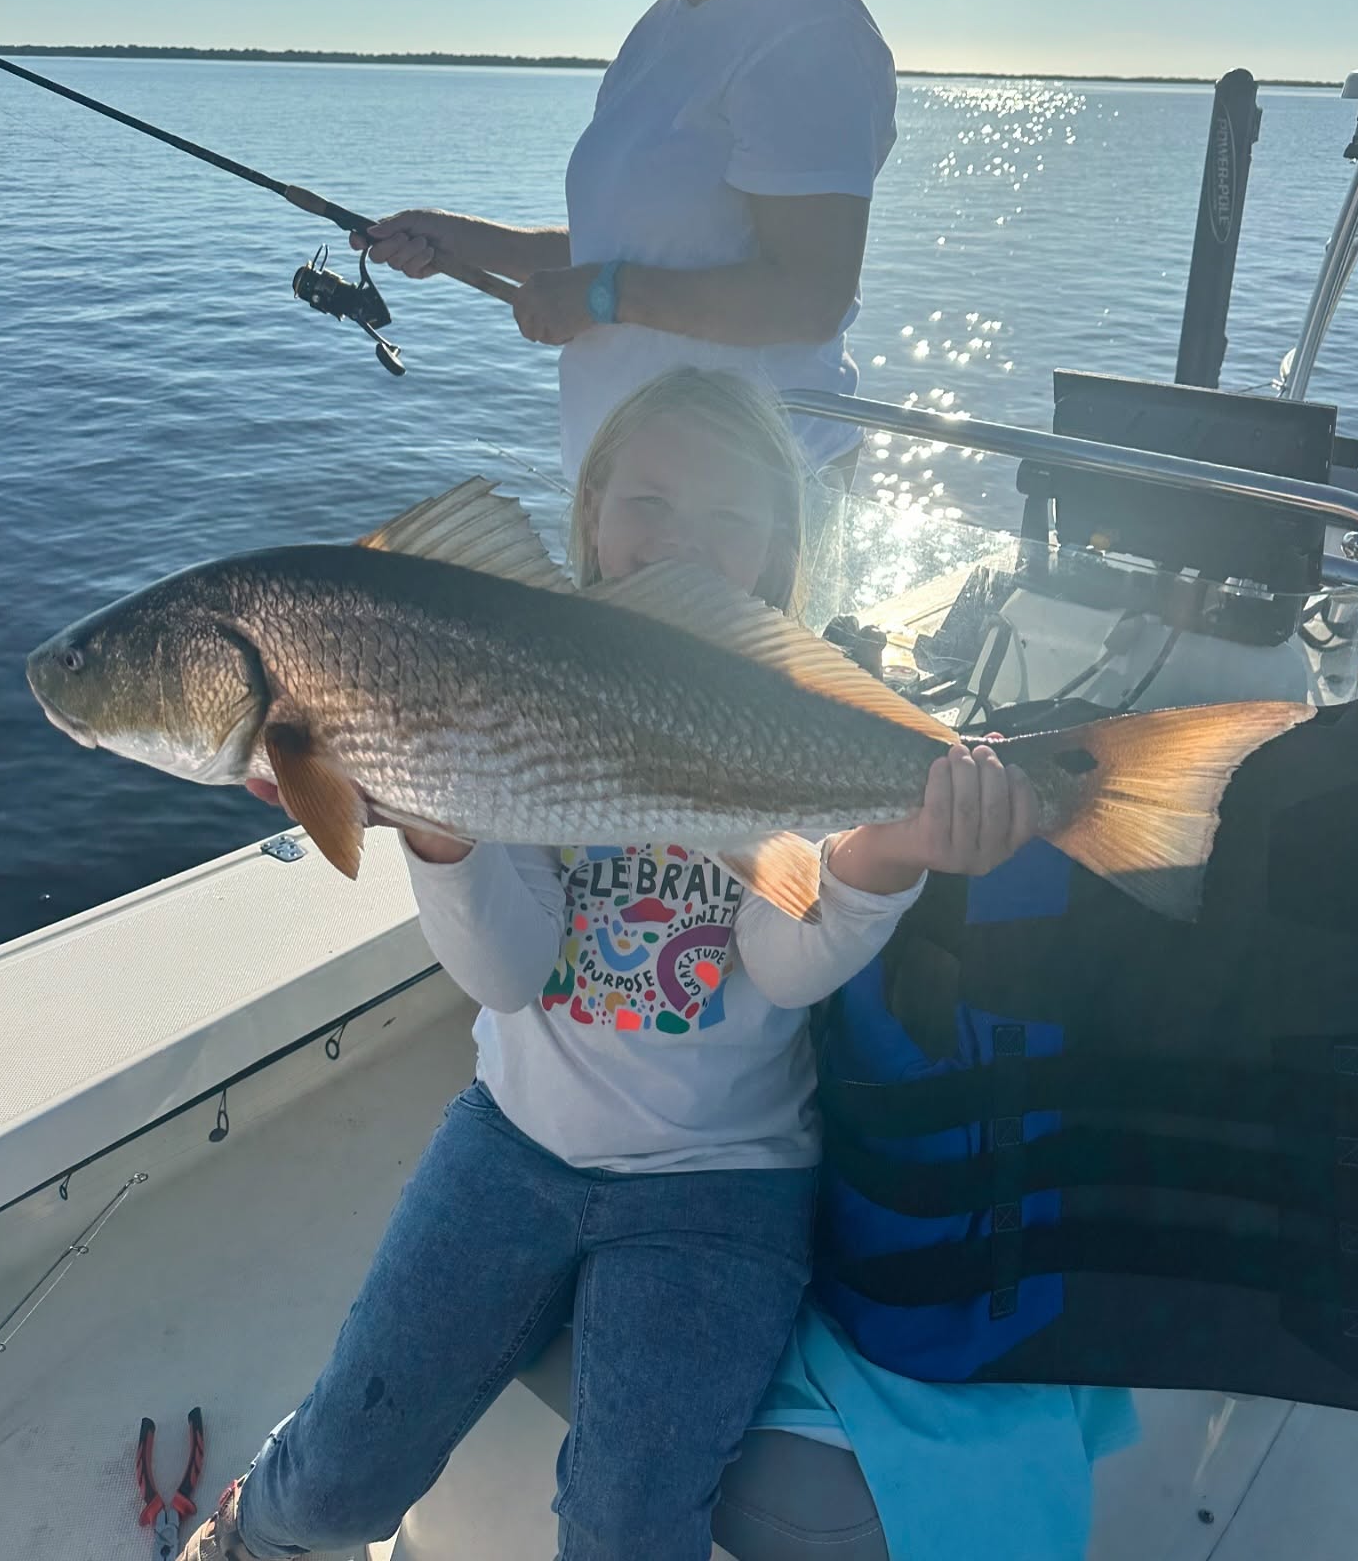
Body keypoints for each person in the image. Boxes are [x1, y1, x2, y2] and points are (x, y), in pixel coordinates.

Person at [182, 368, 1036, 1561]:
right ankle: (251, 1529)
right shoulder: (495, 673)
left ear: (779, 549)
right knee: (331, 1486)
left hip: (725, 1182)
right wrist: (432, 814)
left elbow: (787, 970)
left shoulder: (789, 709)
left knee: (631, 1529)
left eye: (728, 519)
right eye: (649, 501)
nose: (681, 539)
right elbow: (507, 970)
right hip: (511, 1141)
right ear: (588, 514)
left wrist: (894, 849)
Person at [353, 0, 896, 482]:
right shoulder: (662, 25)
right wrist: (459, 237)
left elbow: (809, 297)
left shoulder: (811, 28)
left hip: (749, 508)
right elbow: (624, 250)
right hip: (623, 498)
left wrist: (602, 295)